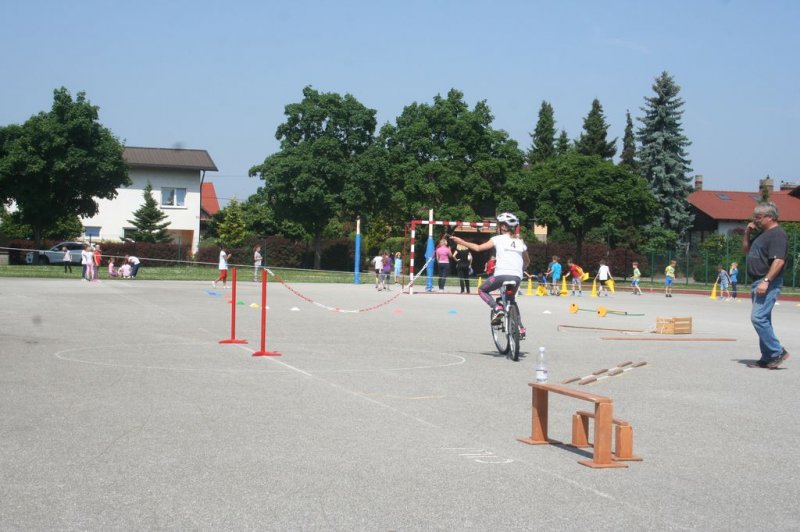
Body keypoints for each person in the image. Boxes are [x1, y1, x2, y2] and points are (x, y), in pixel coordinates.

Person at [449, 213, 530, 335]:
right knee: (512, 300)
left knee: (482, 290)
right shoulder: (520, 242)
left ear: (503, 227)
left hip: (501, 275)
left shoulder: (497, 239)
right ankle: (520, 327)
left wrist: (461, 241)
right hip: (517, 277)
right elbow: (527, 261)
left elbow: (478, 248)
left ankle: (497, 308)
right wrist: (520, 270)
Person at [743, 202, 789, 369]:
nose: (756, 220)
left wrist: (766, 281)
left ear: (770, 217)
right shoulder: (762, 234)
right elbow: (746, 250)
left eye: (759, 217)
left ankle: (777, 352)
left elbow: (779, 260)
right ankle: (767, 357)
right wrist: (747, 232)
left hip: (767, 281)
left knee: (758, 318)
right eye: (754, 217)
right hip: (757, 281)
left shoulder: (777, 234)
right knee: (764, 319)